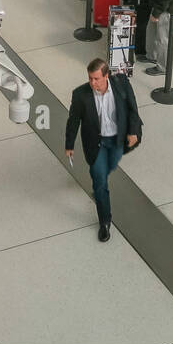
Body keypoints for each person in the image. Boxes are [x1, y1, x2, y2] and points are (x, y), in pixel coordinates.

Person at [65, 58, 142, 242]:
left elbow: (133, 109)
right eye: (90, 78)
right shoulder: (81, 95)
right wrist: (69, 145)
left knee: (110, 166)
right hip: (95, 144)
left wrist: (133, 131)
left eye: (96, 79)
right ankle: (105, 222)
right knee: (100, 182)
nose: (92, 83)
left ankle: (100, 181)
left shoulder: (121, 84)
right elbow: (73, 120)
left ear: (106, 76)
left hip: (116, 141)